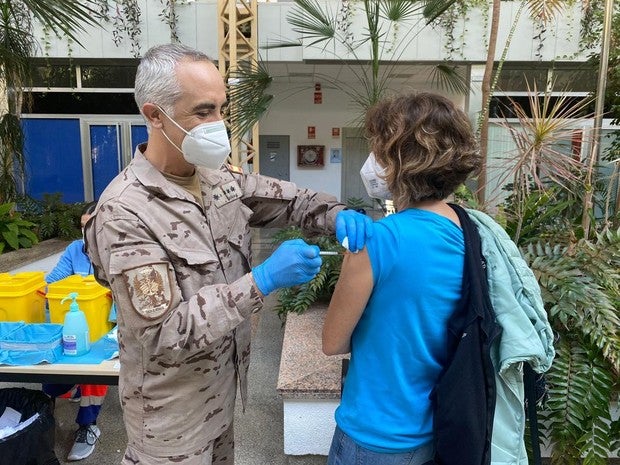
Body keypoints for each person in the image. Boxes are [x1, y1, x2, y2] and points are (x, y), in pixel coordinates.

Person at [83, 43, 371, 465]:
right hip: (171, 422)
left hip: (222, 396)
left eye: (222, 108)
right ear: (154, 115)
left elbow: (291, 201)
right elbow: (164, 332)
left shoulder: (218, 181)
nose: (219, 124)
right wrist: (262, 281)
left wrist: (338, 214)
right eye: (203, 111)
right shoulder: (125, 212)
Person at [322, 92, 482, 465]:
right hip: (435, 428)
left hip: (372, 435)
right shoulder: (470, 232)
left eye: (378, 149)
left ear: (399, 161)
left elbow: (332, 341)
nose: (373, 161)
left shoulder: (376, 242)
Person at [43, 201, 108, 461]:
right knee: (53, 363)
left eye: (90, 227)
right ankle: (42, 415)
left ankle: (87, 425)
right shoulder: (74, 250)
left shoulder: (120, 251)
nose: (85, 234)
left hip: (107, 328)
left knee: (93, 369)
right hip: (74, 321)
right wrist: (73, 286)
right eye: (82, 227)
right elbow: (52, 283)